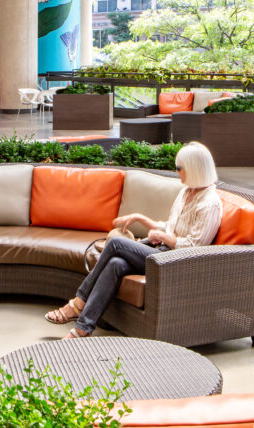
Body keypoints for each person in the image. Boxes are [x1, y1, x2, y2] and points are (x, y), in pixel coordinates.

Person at [44, 142, 222, 339]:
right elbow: (170, 227)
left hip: (176, 261)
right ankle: (81, 329)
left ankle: (78, 303)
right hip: (161, 251)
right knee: (115, 264)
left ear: (195, 169)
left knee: (115, 243)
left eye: (179, 168)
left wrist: (163, 237)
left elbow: (195, 247)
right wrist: (139, 218)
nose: (176, 171)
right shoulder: (186, 192)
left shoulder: (209, 203)